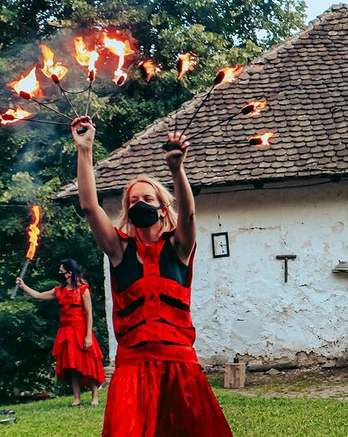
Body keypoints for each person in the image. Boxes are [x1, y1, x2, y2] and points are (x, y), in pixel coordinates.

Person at [71, 116, 233, 436]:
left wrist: (177, 169)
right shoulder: (119, 249)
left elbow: (188, 213)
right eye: (133, 200)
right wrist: (85, 149)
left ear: (162, 207)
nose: (139, 204)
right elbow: (89, 207)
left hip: (179, 365)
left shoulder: (179, 247)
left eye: (147, 199)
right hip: (132, 366)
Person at [16, 258, 105, 406]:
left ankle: (94, 397)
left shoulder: (83, 290)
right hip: (66, 332)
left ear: (69, 273)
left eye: (61, 271)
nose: (59, 273)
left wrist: (88, 335)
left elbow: (89, 314)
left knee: (88, 363)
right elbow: (39, 295)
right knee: (72, 366)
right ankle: (76, 398)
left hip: (81, 330)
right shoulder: (59, 290)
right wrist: (23, 286)